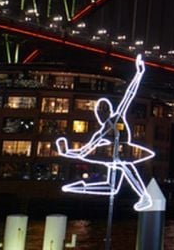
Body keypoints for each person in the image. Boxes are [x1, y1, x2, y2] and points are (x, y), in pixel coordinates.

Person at [56, 55, 154, 210]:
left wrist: (139, 73)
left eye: (103, 111)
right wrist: (66, 152)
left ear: (108, 111)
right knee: (112, 187)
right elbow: (83, 151)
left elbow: (129, 95)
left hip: (125, 153)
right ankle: (80, 188)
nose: (100, 115)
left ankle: (144, 196)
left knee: (125, 166)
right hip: (113, 157)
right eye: (99, 112)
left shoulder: (117, 118)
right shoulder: (100, 133)